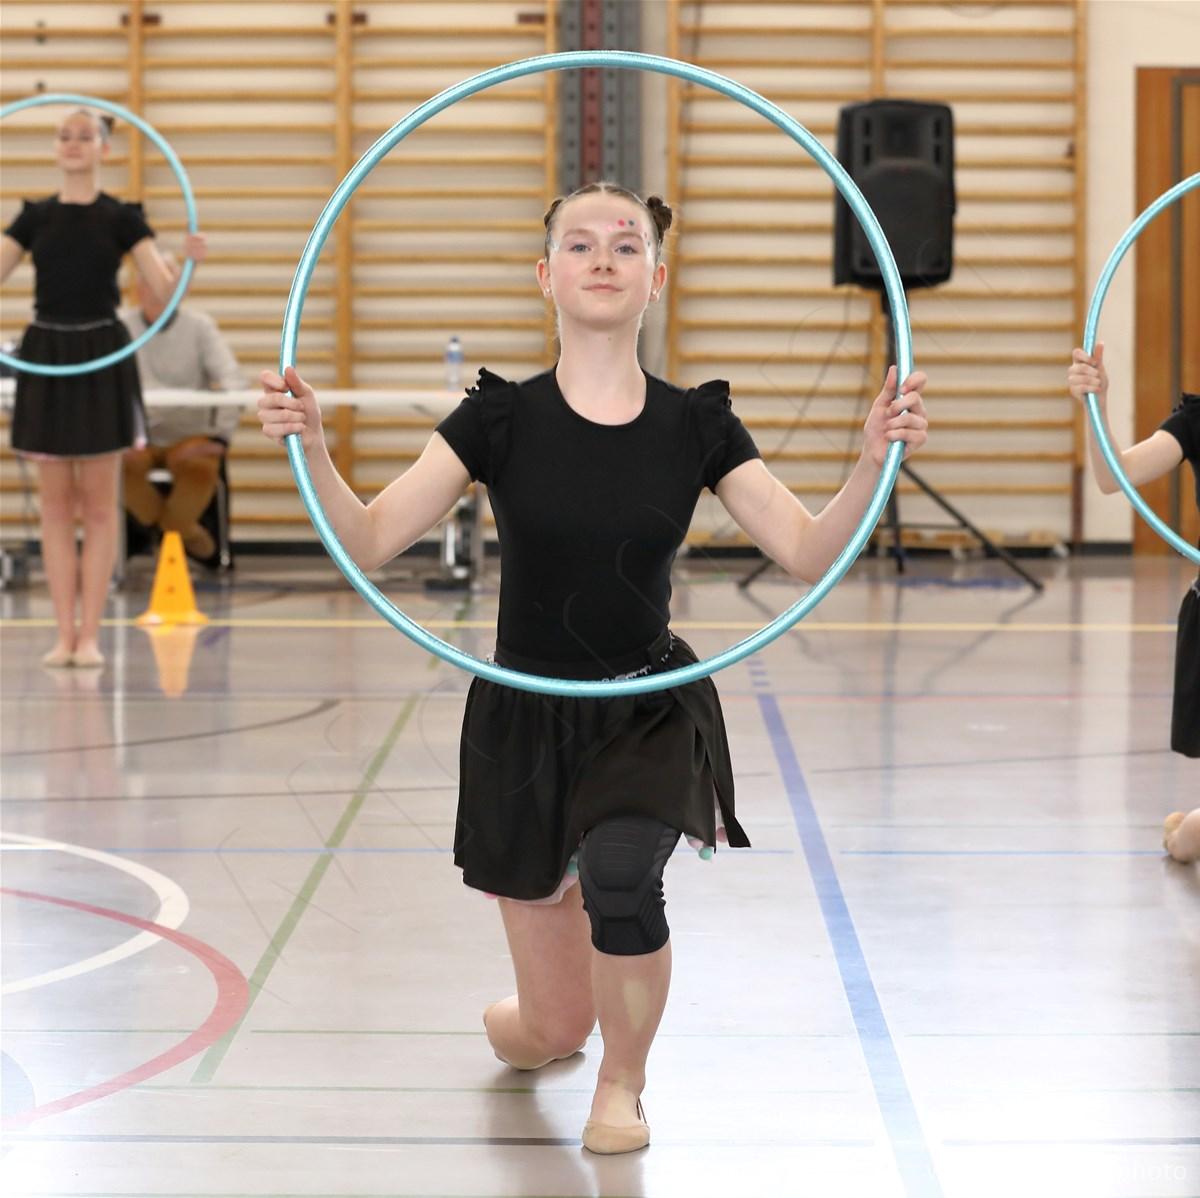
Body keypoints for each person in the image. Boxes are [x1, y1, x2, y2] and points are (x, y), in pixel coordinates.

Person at [257, 181, 929, 1152]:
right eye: (580, 244)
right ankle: (539, 1032)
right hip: (525, 717)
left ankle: (624, 1086)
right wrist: (314, 447)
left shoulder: (697, 425)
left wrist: (869, 461)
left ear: (658, 276)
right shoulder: (497, 419)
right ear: (545, 276)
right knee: (550, 1026)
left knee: (621, 878)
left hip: (645, 705)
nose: (604, 257)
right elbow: (367, 538)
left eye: (626, 243)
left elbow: (807, 550)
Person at [0, 108, 206, 667]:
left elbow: (163, 292)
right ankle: (62, 633)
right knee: (54, 508)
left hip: (101, 358)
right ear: (54, 146)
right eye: (64, 136)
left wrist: (187, 263)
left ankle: (88, 636)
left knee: (97, 506)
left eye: (84, 136)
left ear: (103, 148)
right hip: (48, 356)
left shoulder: (123, 217)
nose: (73, 144)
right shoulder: (34, 217)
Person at [1067, 343, 1198, 858]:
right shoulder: (1197, 421)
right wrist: (1096, 404)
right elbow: (1111, 476)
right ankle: (1187, 836)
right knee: (1191, 840)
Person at [121, 254, 244, 565]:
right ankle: (184, 536)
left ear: (180, 288)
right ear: (137, 288)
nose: (156, 289)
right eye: (148, 280)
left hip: (190, 437)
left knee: (201, 467)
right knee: (113, 468)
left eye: (164, 281)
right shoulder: (121, 327)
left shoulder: (200, 328)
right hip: (137, 438)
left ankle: (159, 533)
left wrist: (219, 437)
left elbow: (234, 382)